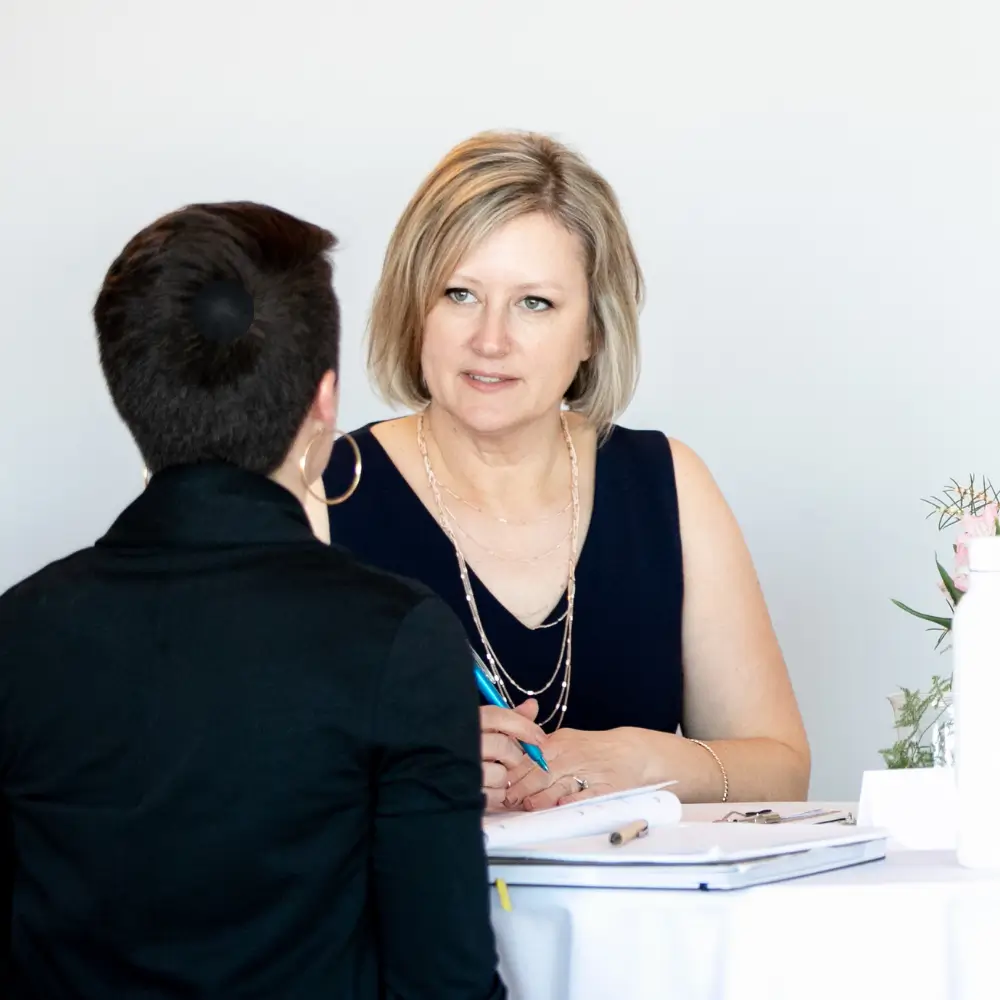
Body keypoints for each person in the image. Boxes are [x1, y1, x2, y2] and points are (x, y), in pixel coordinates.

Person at [0, 202, 505, 998]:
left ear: (126, 386)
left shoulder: (17, 635)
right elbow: (444, 982)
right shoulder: (397, 639)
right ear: (325, 400)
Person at [320, 130, 810, 812]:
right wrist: (414, 768)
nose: (490, 339)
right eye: (459, 294)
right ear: (413, 308)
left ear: (592, 333)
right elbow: (245, 781)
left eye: (535, 303)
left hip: (645, 919)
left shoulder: (670, 482)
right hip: (409, 918)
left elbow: (783, 773)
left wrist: (650, 760)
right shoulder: (323, 492)